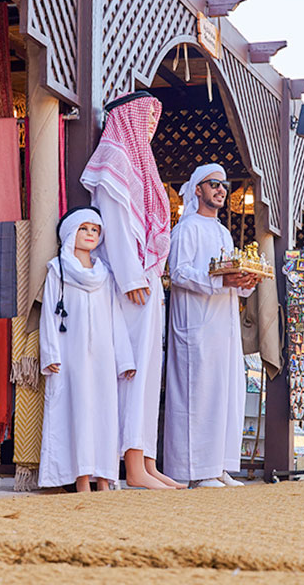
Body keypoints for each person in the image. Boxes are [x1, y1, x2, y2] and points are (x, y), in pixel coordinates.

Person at [80, 91, 182, 488]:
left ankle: (148, 461)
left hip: (146, 279)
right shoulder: (114, 160)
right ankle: (132, 466)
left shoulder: (139, 162)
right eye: (146, 117)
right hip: (130, 284)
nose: (150, 126)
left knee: (148, 371)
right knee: (132, 371)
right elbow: (116, 224)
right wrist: (132, 277)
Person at [163, 164, 257, 488]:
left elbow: (231, 279)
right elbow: (178, 272)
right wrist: (218, 282)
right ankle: (196, 471)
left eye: (224, 185)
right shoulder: (187, 228)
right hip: (196, 326)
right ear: (197, 190)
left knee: (227, 394)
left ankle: (218, 466)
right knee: (197, 397)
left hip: (224, 327)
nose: (221, 189)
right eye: (213, 184)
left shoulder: (223, 232)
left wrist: (245, 281)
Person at [38, 208, 135, 492]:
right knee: (78, 411)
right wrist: (51, 354)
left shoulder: (105, 273)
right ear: (71, 233)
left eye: (95, 229)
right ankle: (81, 479)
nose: (91, 234)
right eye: (84, 228)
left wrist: (124, 359)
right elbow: (49, 318)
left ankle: (103, 478)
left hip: (103, 356)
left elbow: (116, 317)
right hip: (71, 354)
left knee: (104, 413)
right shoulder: (58, 270)